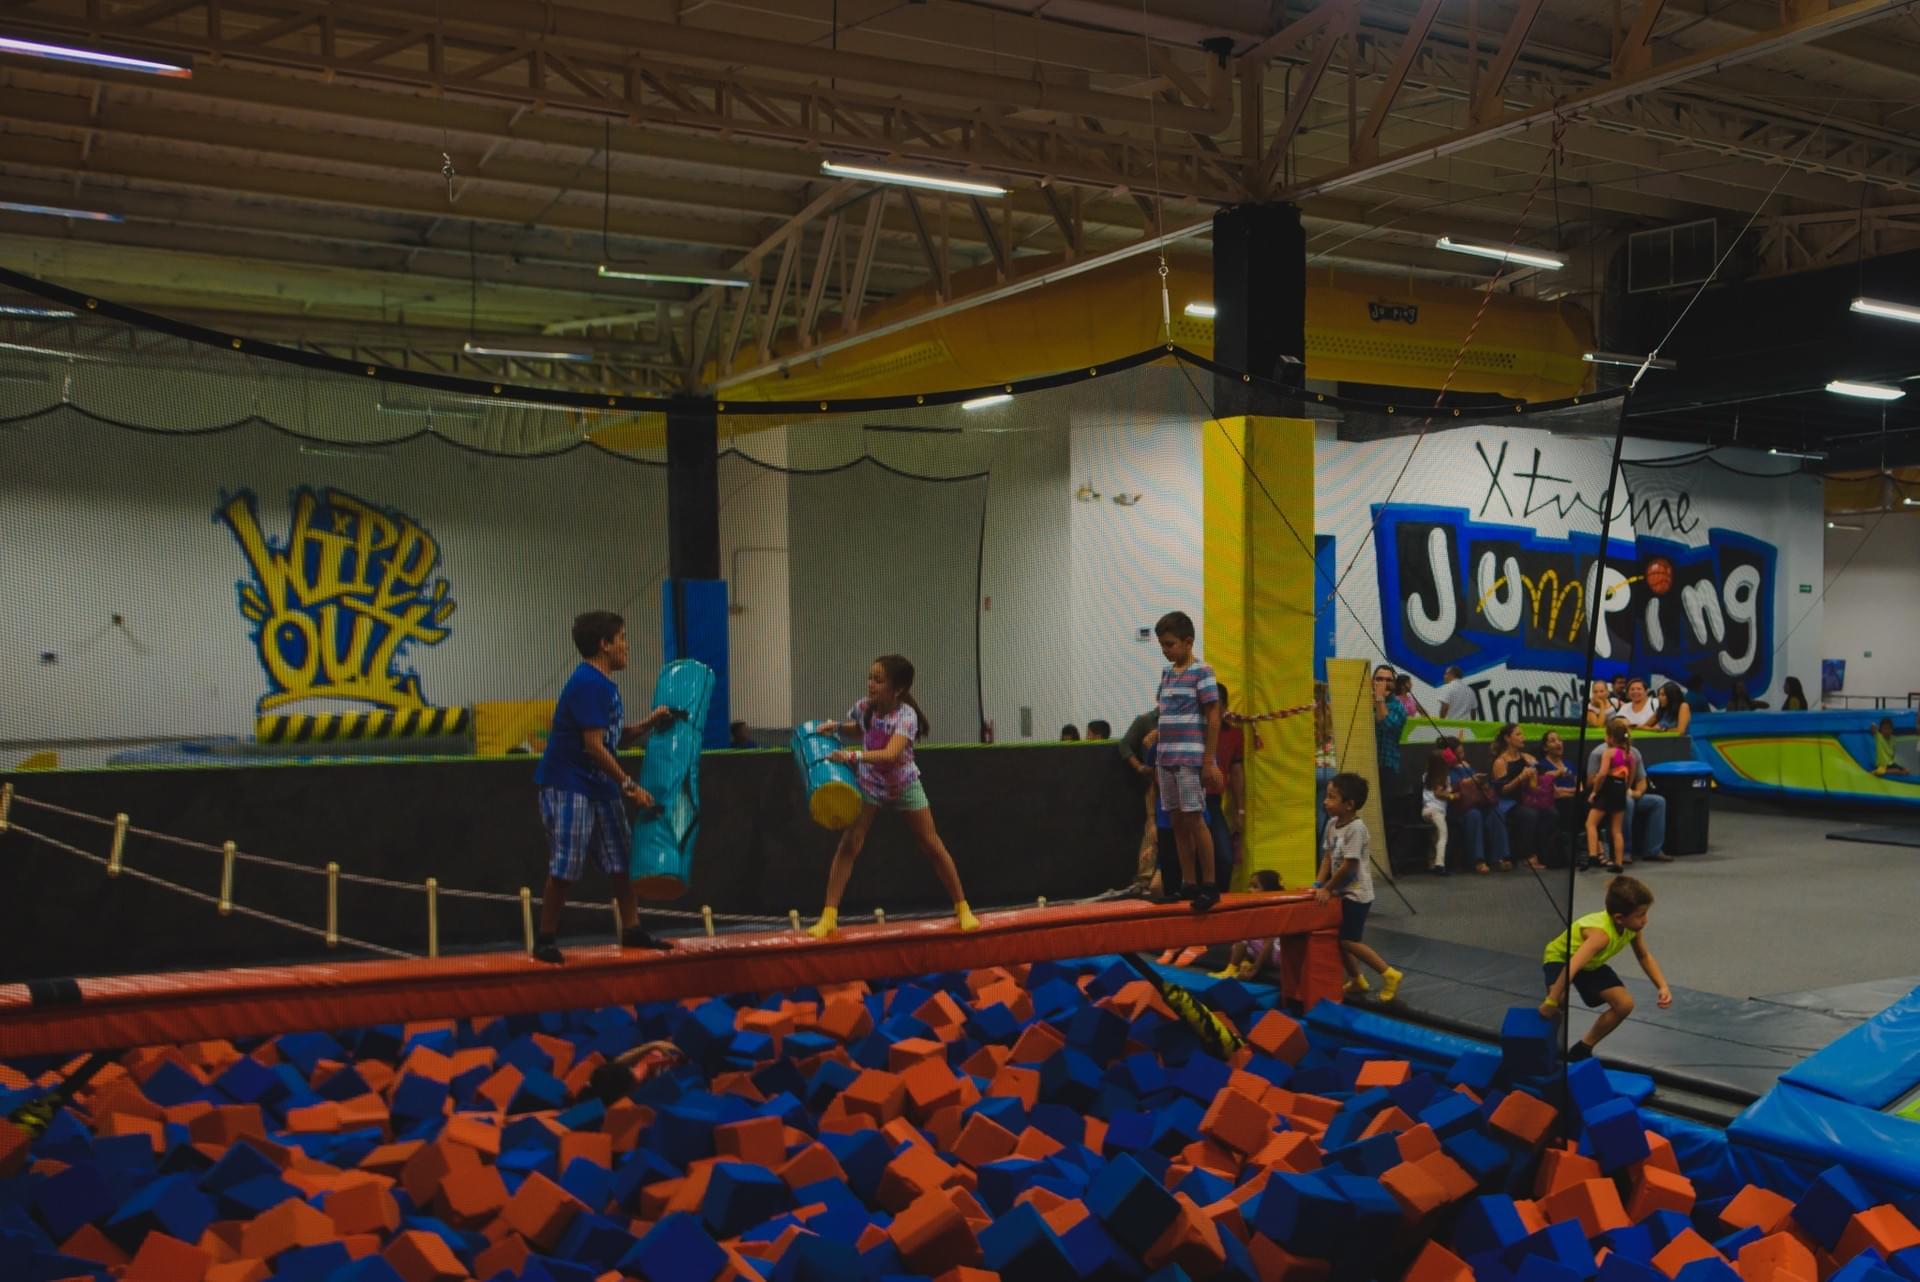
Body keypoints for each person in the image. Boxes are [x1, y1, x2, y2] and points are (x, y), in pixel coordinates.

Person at [532, 610, 679, 965]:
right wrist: (629, 785)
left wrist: (649, 722)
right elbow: (593, 746)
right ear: (604, 644)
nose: (627, 646)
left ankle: (631, 928)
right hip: (569, 784)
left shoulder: (603, 685)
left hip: (597, 785)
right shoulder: (588, 684)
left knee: (621, 858)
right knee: (567, 865)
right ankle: (545, 938)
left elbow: (612, 737)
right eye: (622, 638)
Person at [806, 654, 979, 938]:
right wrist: (836, 726)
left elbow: (890, 753)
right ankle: (829, 916)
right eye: (870, 677)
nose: (871, 684)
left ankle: (963, 908)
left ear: (897, 688)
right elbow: (859, 728)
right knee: (850, 844)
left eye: (879, 679)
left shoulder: (905, 717)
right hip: (871, 784)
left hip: (903, 784)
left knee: (930, 843)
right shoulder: (865, 707)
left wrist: (850, 755)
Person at [1538, 875, 1671, 1062]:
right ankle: (1544, 1047)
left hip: (1592, 964)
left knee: (1624, 1005)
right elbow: (1572, 966)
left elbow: (1644, 956)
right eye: (1640, 915)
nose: (1645, 920)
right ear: (1619, 918)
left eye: (1646, 913)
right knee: (1559, 999)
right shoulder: (1600, 935)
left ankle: (1583, 1048)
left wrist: (1662, 986)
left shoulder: (1632, 929)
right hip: (1562, 958)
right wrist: (1550, 1002)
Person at [1154, 611, 1225, 912]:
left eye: (1170, 644)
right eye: (1162, 645)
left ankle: (1210, 884)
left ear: (1188, 642)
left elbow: (1213, 715)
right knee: (1177, 821)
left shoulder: (1202, 671)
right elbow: (1164, 713)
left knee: (1195, 819)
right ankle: (1188, 882)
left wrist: (1208, 762)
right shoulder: (1167, 674)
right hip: (1166, 757)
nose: (1165, 650)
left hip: (1189, 757)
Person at [1315, 772, 1403, 1002]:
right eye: (1326, 796)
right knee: (1339, 939)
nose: (1325, 801)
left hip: (1356, 895)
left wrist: (1328, 888)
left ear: (1349, 804)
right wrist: (1317, 883)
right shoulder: (1333, 824)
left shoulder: (1357, 829)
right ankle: (1356, 979)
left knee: (1349, 940)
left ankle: (1389, 973)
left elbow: (1349, 868)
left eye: (1332, 797)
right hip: (1340, 892)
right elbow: (1327, 856)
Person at [1585, 717, 1672, 866]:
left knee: (1658, 802)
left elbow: (1640, 780)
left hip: (1620, 793)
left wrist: (1636, 792)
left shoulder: (1634, 753)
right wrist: (1619, 788)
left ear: (1610, 736)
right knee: (1627, 803)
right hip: (1613, 795)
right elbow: (1592, 780)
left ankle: (1653, 850)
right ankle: (1625, 852)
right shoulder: (1599, 753)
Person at [1440, 735, 1511, 873]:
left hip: (1476, 803)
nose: (1462, 756)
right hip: (1457, 808)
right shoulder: (1443, 770)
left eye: (1462, 752)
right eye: (1458, 753)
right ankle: (1478, 860)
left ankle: (1500, 858)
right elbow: (1446, 790)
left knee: (1496, 813)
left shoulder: (1466, 766)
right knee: (1474, 815)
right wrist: (1464, 784)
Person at [1491, 723, 1550, 872]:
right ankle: (1526, 857)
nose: (1523, 737)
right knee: (1529, 815)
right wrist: (1521, 778)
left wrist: (1537, 770)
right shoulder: (1500, 762)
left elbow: (1543, 775)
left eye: (1522, 734)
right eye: (1518, 734)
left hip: (1526, 799)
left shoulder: (1527, 757)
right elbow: (1502, 791)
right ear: (1507, 738)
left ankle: (1546, 855)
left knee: (1551, 813)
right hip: (1508, 803)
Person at [1209, 870, 1286, 979]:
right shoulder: (1259, 910)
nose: (1250, 890)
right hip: (1274, 955)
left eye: (1255, 887)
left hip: (1277, 956)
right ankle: (1244, 964)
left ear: (1268, 891)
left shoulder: (1271, 912)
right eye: (1249, 886)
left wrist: (1255, 968)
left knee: (1243, 936)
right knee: (1237, 945)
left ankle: (1231, 969)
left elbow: (1268, 944)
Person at [1208, 683, 1247, 894]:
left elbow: (1237, 773)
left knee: (1224, 857)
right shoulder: (1194, 731)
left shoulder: (1233, 735)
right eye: (1207, 705)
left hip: (1213, 803)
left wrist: (1241, 810)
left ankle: (1221, 901)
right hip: (1189, 802)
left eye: (1216, 705)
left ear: (1225, 707)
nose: (1211, 710)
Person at [1117, 710, 1161, 894]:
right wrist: (1141, 767)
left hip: (1173, 781)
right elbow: (1125, 745)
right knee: (1152, 826)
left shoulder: (1181, 718)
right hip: (1153, 785)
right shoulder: (1146, 721)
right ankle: (1145, 878)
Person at [1585, 720, 1634, 874]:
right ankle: (1618, 863)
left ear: (1611, 737)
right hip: (1620, 790)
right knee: (1616, 830)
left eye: (1606, 735)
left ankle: (1593, 854)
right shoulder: (1629, 755)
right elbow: (1631, 777)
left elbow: (1602, 774)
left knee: (1590, 823)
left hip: (1608, 788)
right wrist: (1625, 788)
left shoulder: (1608, 752)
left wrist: (1594, 791)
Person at [1373, 663, 1407, 786]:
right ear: (1372, 681)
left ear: (1394, 684)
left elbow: (1387, 725)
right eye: (1379, 679)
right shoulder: (1364, 702)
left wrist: (1379, 699)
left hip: (1387, 768)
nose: (1384, 684)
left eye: (1388, 680)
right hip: (1365, 763)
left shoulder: (1398, 706)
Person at [1420, 754, 1453, 875]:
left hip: (1426, 810)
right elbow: (1438, 793)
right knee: (1443, 836)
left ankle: (1431, 863)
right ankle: (1440, 864)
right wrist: (1452, 796)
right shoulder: (1443, 778)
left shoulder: (1425, 776)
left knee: (1435, 836)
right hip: (1436, 811)